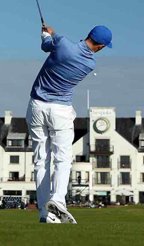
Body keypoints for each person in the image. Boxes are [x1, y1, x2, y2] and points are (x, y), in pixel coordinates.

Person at [27, 25, 112, 224]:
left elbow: (46, 46)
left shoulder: (63, 42)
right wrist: (52, 36)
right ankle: (58, 200)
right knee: (62, 159)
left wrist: (47, 34)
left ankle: (44, 213)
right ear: (100, 46)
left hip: (36, 106)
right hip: (60, 110)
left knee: (41, 160)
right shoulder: (90, 63)